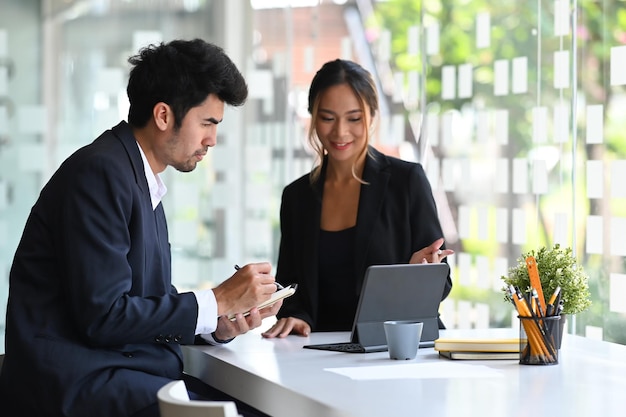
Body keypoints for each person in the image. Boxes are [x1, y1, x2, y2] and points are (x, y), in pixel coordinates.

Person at [0, 39, 280, 417]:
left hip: (118, 372)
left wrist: (219, 324)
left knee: (256, 406)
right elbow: (105, 316)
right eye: (207, 123)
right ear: (163, 116)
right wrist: (218, 300)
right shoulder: (101, 174)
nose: (212, 139)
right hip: (77, 384)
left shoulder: (136, 177)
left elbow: (144, 304)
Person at [262, 59, 453, 339]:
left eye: (354, 118)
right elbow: (291, 288)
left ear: (372, 116)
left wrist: (415, 274)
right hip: (319, 352)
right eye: (328, 118)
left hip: (396, 349)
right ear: (313, 116)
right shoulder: (297, 197)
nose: (340, 132)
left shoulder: (406, 181)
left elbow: (442, 282)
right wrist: (297, 316)